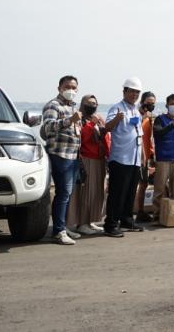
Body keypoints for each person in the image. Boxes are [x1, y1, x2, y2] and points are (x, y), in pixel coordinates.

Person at [41, 75, 82, 245]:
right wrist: (69, 121)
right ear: (59, 88)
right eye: (67, 87)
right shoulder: (53, 105)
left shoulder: (73, 106)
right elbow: (48, 128)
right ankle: (58, 231)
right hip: (60, 155)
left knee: (67, 193)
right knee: (63, 193)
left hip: (72, 155)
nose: (70, 91)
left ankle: (62, 226)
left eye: (73, 87)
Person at [103, 77, 146, 237]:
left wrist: (142, 158)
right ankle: (111, 224)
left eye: (137, 92)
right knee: (117, 193)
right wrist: (117, 119)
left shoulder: (136, 110)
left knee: (130, 192)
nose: (135, 94)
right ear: (125, 91)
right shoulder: (117, 108)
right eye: (132, 91)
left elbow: (139, 134)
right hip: (120, 158)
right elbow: (107, 127)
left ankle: (127, 219)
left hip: (134, 159)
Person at [67, 95, 110, 236]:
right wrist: (92, 124)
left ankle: (91, 220)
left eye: (95, 103)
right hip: (86, 159)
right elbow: (82, 138)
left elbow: (105, 136)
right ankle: (82, 223)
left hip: (99, 159)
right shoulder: (79, 120)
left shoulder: (97, 119)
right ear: (83, 104)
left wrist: (101, 126)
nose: (92, 105)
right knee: (86, 193)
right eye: (89, 103)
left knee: (97, 192)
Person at [152, 94, 174, 222]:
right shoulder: (160, 119)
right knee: (160, 189)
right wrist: (172, 125)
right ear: (167, 105)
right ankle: (157, 215)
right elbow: (157, 133)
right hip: (163, 159)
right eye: (172, 104)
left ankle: (172, 215)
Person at [134, 91, 156, 223]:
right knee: (138, 184)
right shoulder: (137, 115)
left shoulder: (150, 118)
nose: (151, 105)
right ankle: (137, 211)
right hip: (137, 155)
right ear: (142, 102)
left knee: (145, 184)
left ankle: (142, 211)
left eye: (153, 103)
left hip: (148, 155)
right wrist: (142, 116)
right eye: (148, 102)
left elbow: (151, 138)